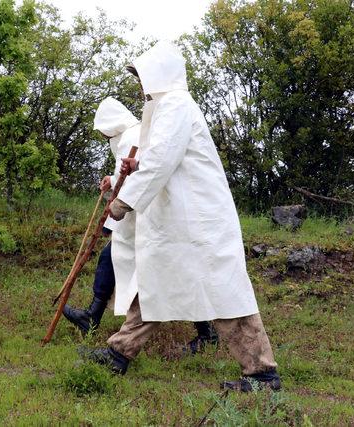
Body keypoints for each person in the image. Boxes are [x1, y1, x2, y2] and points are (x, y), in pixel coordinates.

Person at [84, 41, 281, 392]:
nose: (141, 84)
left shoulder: (175, 104)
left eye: (143, 75)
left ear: (160, 72)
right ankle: (119, 353)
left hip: (201, 223)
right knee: (153, 282)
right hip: (180, 222)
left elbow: (162, 162)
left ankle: (263, 375)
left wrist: (123, 202)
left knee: (224, 292)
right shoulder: (165, 108)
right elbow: (164, 158)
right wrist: (138, 164)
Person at [64, 97, 218, 355]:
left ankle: (207, 333)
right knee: (114, 259)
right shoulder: (134, 133)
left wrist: (115, 209)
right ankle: (94, 316)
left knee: (176, 272)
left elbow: (140, 178)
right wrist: (113, 180)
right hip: (149, 215)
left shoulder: (128, 137)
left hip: (150, 218)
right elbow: (134, 173)